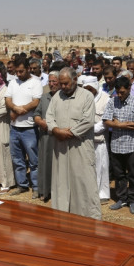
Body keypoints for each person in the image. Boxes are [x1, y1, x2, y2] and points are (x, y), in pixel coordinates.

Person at [46, 68, 101, 219]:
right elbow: (49, 117)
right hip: (61, 147)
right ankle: (62, 217)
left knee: (84, 182)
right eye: (61, 84)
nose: (62, 87)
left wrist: (67, 133)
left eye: (65, 84)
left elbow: (88, 121)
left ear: (75, 80)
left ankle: (89, 219)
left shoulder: (87, 96)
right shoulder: (57, 96)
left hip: (80, 147)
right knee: (61, 181)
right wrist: (56, 130)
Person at [103, 76, 134, 215]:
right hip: (116, 145)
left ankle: (133, 200)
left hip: (132, 146)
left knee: (133, 175)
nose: (119, 95)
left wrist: (117, 123)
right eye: (118, 92)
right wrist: (123, 124)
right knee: (119, 175)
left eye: (122, 92)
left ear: (129, 89)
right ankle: (122, 198)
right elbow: (107, 121)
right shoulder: (112, 101)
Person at [5, 56, 42, 197]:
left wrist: (20, 110)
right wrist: (14, 108)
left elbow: (36, 101)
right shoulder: (13, 82)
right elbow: (7, 99)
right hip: (14, 127)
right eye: (16, 72)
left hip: (29, 128)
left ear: (27, 69)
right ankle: (22, 185)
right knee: (17, 159)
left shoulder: (35, 82)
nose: (18, 74)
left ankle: (37, 186)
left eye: (21, 71)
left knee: (34, 160)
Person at [79, 74, 110, 204]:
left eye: (90, 89)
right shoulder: (82, 99)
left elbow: (105, 121)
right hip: (85, 139)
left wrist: (88, 128)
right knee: (87, 167)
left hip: (99, 139)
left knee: (101, 166)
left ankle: (102, 194)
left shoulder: (106, 98)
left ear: (95, 87)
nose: (88, 92)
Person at [33, 71, 59, 200]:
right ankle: (44, 191)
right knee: (45, 164)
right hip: (45, 137)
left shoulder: (63, 97)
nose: (52, 84)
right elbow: (36, 113)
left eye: (54, 81)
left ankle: (57, 192)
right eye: (50, 81)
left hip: (59, 137)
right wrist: (39, 120)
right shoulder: (44, 97)